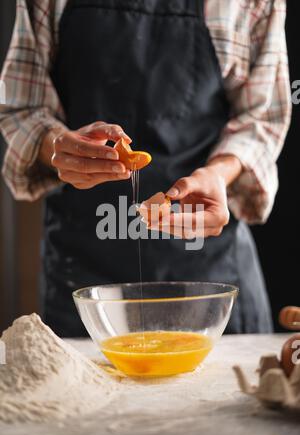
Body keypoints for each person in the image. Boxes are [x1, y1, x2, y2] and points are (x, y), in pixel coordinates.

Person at [0, 0, 291, 337]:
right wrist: (58, 146)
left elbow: (262, 118)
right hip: (84, 283)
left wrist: (219, 173)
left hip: (209, 284)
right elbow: (20, 106)